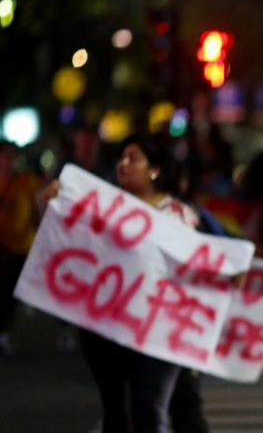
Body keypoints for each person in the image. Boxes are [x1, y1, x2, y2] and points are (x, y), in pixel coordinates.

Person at [41, 134, 199, 433]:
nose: (123, 164)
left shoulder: (178, 214)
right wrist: (50, 203)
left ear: (155, 170)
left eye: (134, 159)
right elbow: (64, 239)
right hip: (104, 326)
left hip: (155, 327)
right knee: (114, 410)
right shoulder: (102, 205)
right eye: (121, 158)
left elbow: (192, 264)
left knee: (148, 408)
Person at [0, 141, 41, 356]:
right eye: (4, 156)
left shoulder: (27, 181)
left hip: (20, 246)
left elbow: (36, 211)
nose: (8, 161)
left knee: (10, 291)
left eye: (11, 156)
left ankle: (5, 332)